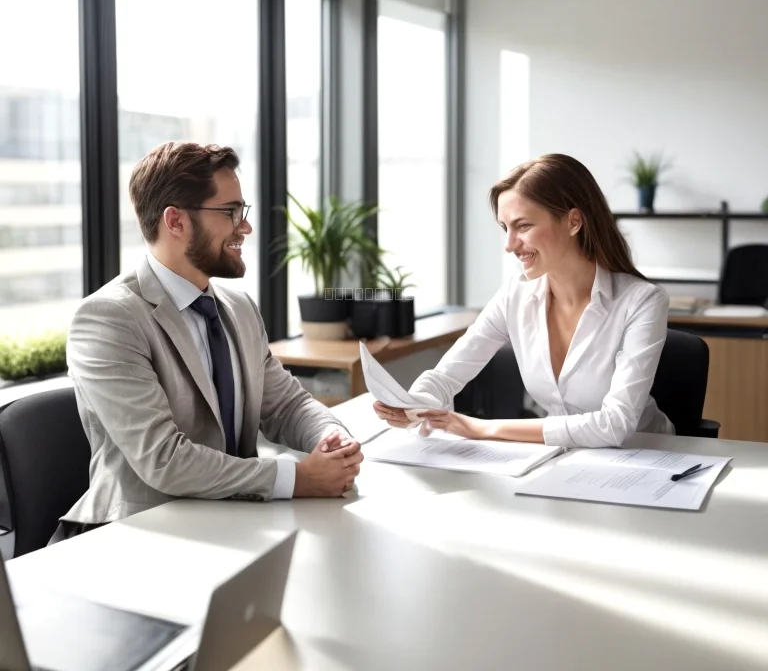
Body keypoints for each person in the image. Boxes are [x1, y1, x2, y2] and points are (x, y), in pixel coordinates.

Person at [53, 141, 362, 542]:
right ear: (175, 221)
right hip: (141, 535)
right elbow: (164, 460)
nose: (245, 227)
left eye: (242, 211)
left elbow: (287, 405)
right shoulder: (109, 318)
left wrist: (333, 441)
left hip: (237, 522)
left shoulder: (239, 308)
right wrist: (297, 478)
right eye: (230, 212)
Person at [374, 153, 674, 448]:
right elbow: (446, 376)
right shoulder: (514, 296)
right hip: (569, 457)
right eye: (505, 228)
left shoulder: (642, 301)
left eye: (524, 226)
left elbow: (615, 423)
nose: (509, 245)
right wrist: (414, 406)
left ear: (573, 221)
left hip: (648, 456)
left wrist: (482, 428)